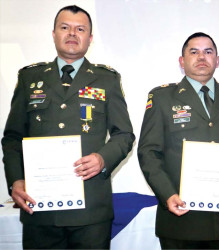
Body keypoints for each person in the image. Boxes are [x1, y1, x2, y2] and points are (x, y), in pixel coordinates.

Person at [1, 5, 135, 249]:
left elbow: (124, 135)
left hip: (91, 210)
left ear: (90, 39)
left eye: (80, 29)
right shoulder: (30, 78)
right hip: (40, 209)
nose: (72, 33)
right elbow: (12, 138)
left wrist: (102, 159)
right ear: (53, 34)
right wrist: (15, 180)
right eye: (65, 27)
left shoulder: (107, 79)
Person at [137, 32, 219, 249]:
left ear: (217, 60)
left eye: (208, 51)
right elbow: (148, 152)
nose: (201, 57)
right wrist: (167, 195)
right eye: (194, 52)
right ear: (182, 61)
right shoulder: (162, 97)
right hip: (180, 216)